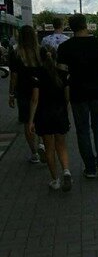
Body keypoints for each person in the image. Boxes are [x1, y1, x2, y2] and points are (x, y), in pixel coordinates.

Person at [57, 14, 98, 178]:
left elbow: (61, 73)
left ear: (71, 28)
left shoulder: (65, 47)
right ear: (86, 25)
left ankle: (90, 168)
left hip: (77, 95)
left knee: (82, 131)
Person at [28, 47, 72, 191]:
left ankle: (55, 180)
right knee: (62, 145)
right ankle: (66, 171)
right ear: (55, 57)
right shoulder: (63, 73)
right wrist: (65, 111)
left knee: (49, 148)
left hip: (44, 115)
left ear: (40, 58)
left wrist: (31, 120)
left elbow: (35, 99)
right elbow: (67, 98)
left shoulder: (37, 74)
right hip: (60, 114)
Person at [8, 25, 45, 163]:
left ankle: (34, 153)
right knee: (40, 117)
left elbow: (14, 77)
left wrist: (11, 94)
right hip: (41, 90)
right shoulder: (41, 51)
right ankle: (42, 143)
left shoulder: (15, 53)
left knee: (26, 120)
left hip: (23, 92)